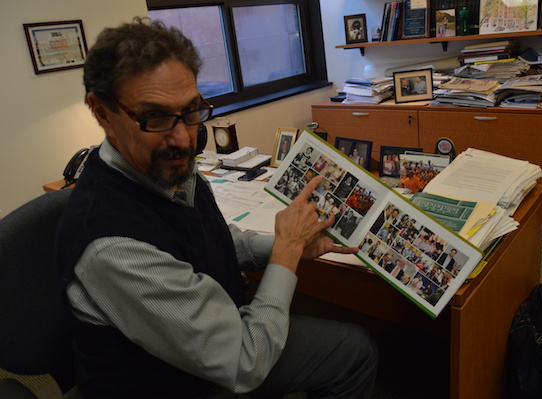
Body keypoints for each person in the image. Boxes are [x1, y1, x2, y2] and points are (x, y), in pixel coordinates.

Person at [55, 18, 378, 399]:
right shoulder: (113, 245)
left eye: (192, 111)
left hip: (203, 342)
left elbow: (219, 241)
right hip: (171, 383)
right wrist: (286, 255)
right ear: (102, 112)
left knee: (350, 344)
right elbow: (245, 362)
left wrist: (283, 244)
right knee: (353, 351)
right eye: (154, 117)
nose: (183, 139)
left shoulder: (162, 170)